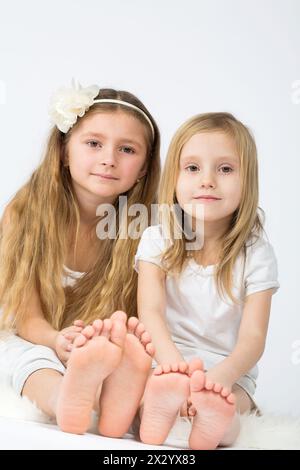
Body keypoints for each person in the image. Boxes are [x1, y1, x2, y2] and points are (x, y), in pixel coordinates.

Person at [0, 80, 161, 437]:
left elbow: (148, 315)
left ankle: (124, 401)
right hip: (37, 334)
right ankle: (62, 398)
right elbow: (25, 316)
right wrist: (58, 341)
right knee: (21, 355)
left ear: (145, 167)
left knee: (133, 362)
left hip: (98, 345)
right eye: (93, 143)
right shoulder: (25, 214)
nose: (108, 159)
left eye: (127, 150)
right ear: (63, 150)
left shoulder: (148, 230)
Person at [134, 112, 280, 449]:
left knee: (232, 409)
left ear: (249, 181)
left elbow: (253, 339)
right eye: (193, 168)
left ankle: (214, 425)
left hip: (227, 372)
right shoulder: (157, 239)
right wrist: (175, 369)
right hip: (167, 358)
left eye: (225, 169)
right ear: (174, 178)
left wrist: (218, 379)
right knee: (144, 394)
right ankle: (149, 415)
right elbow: (151, 313)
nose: (207, 181)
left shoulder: (256, 254)